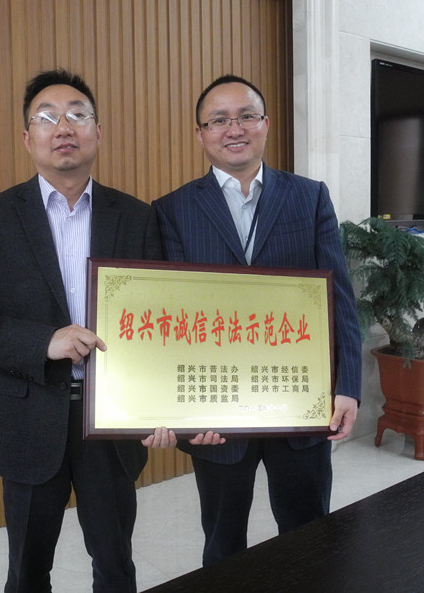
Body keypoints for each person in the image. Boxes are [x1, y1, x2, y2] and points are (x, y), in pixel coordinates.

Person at [0, 69, 167, 593]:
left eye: (77, 115)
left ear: (98, 132)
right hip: (27, 417)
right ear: (27, 138)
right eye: (46, 117)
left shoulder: (136, 217)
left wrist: (161, 406)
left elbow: (157, 322)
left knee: (115, 565)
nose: (63, 127)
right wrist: (44, 342)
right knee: (27, 570)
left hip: (110, 423)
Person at [150, 74, 362, 567]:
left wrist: (348, 385)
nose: (234, 129)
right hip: (216, 412)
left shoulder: (309, 196)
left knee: (309, 533)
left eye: (246, 116)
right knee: (223, 543)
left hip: (300, 401)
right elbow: (170, 319)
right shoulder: (172, 210)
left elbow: (339, 298)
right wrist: (180, 411)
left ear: (265, 124)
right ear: (200, 134)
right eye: (219, 120)